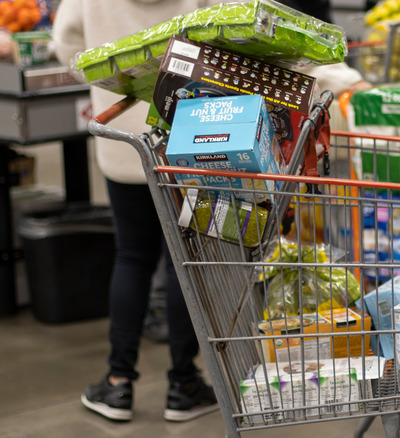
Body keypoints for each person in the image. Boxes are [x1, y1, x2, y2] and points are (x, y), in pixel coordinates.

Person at [52, 0, 368, 423]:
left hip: (121, 139)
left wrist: (126, 70)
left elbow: (65, 44)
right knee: (183, 261)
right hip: (188, 136)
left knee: (130, 256)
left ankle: (117, 383)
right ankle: (183, 384)